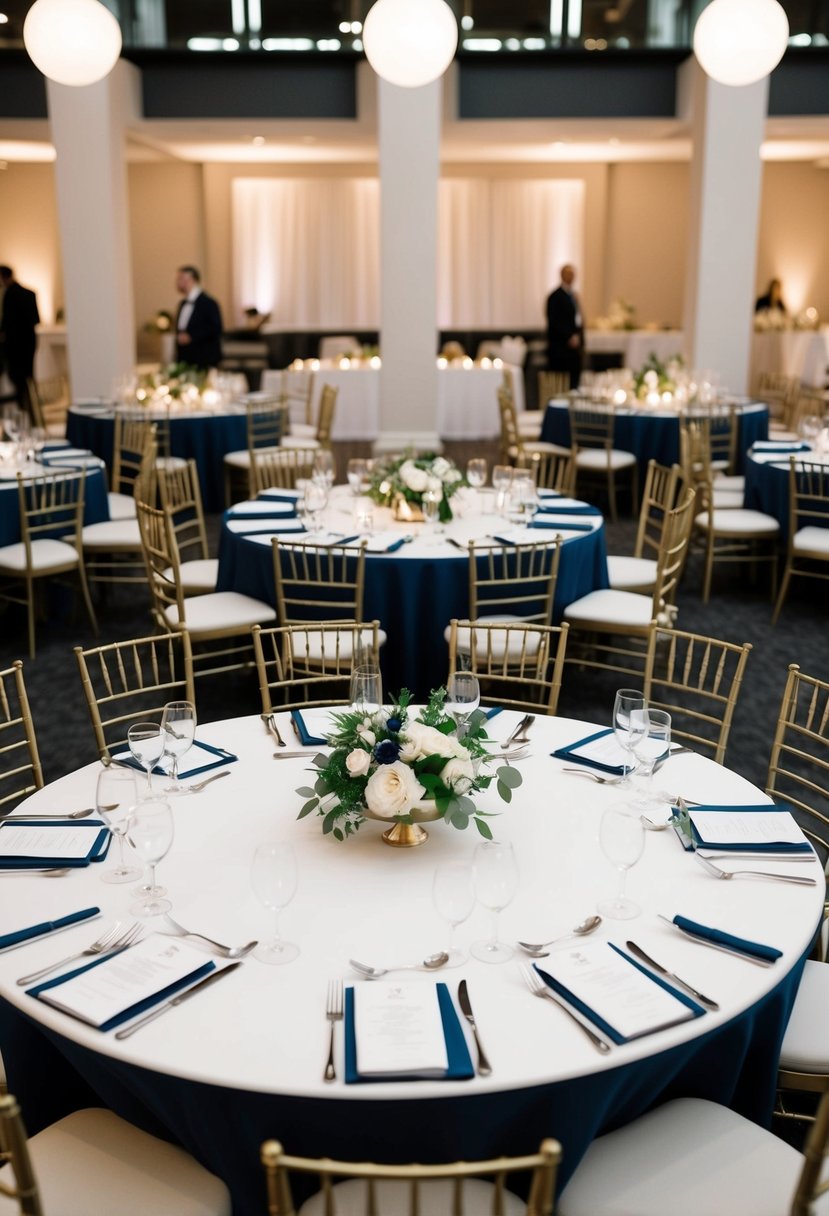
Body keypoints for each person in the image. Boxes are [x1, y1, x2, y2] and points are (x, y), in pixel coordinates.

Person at [0, 265, 40, 411]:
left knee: (18, 380)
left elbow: (5, 324)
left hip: (14, 347)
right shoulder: (29, 294)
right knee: (29, 378)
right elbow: (36, 320)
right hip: (29, 344)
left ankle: (24, 410)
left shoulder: (9, 295)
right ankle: (32, 410)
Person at [174, 265, 223, 369]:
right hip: (185, 358)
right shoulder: (183, 303)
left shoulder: (209, 303)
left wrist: (191, 336)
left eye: (180, 278)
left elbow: (216, 328)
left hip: (203, 358)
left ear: (191, 280)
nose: (177, 282)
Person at [546, 263, 583, 390]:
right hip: (561, 348)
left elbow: (578, 318)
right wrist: (568, 336)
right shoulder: (555, 297)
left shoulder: (574, 296)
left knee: (574, 381)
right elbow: (554, 321)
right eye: (568, 274)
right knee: (561, 384)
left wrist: (578, 336)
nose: (571, 277)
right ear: (562, 276)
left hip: (574, 348)